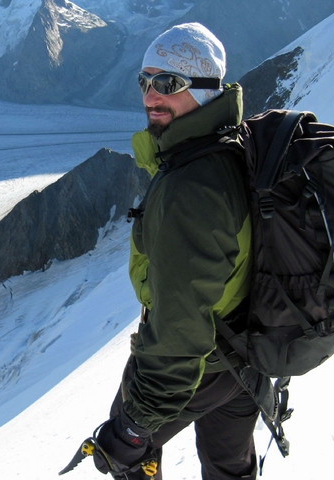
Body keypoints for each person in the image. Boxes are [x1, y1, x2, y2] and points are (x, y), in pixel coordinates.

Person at [94, 23, 258, 479]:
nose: (150, 95)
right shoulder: (232, 145)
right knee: (231, 466)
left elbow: (179, 334)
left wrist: (133, 427)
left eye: (168, 84)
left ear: (205, 91)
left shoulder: (191, 187)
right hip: (248, 352)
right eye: (144, 81)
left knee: (127, 462)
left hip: (200, 363)